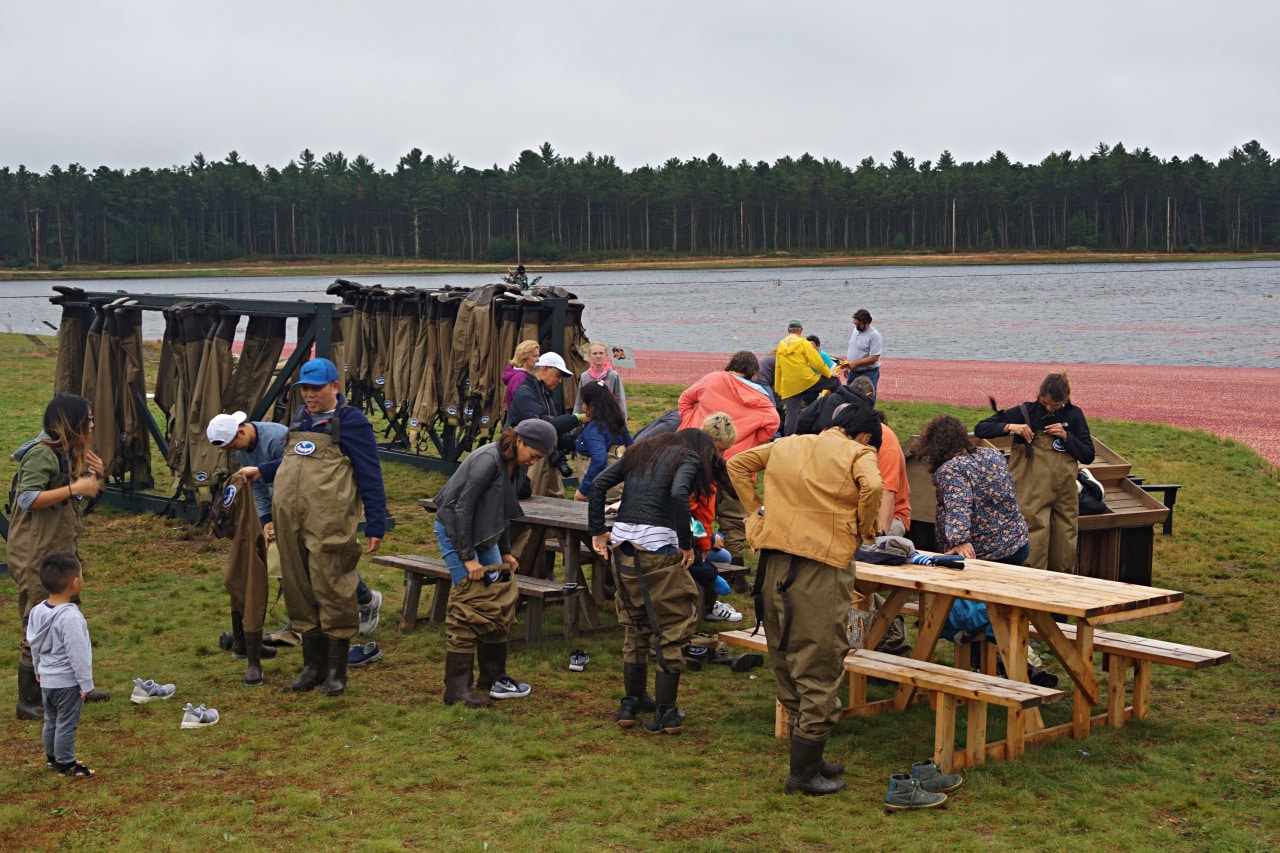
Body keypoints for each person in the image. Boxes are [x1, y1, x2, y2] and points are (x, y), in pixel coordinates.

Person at [726, 405, 884, 795]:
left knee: (783, 653)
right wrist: (865, 528)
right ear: (864, 436)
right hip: (821, 567)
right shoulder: (859, 453)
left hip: (775, 564)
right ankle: (802, 773)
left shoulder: (787, 444)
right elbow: (875, 489)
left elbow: (737, 463)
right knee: (821, 661)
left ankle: (809, 756)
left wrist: (755, 515)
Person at [238, 358, 388, 698]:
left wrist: (376, 523)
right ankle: (312, 666)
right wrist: (262, 470)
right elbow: (293, 460)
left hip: (329, 522)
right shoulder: (302, 419)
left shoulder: (351, 422)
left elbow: (370, 473)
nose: (309, 395)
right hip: (290, 521)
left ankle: (336, 671)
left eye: (316, 388)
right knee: (298, 587)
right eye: (304, 388)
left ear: (335, 386)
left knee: (332, 585)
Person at [588, 429, 724, 735]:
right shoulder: (687, 456)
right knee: (671, 627)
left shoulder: (641, 453)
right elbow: (678, 494)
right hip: (658, 549)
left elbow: (598, 485)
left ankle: (630, 704)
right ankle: (666, 713)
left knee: (635, 625)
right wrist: (687, 544)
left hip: (623, 548)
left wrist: (597, 530)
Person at [208, 412, 384, 642]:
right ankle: (304, 617)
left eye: (233, 445)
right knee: (293, 559)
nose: (234, 451)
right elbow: (257, 486)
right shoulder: (242, 449)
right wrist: (267, 518)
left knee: (325, 555)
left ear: (241, 431)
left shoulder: (277, 439)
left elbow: (298, 470)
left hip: (312, 497)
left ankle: (366, 600)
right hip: (285, 502)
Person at [432, 420, 555, 707]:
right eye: (533, 455)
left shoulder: (516, 463)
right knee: (471, 604)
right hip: (455, 532)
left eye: (539, 459)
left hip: (485, 536)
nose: (534, 462)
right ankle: (457, 688)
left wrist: (505, 551)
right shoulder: (488, 460)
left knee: (498, 598)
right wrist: (468, 558)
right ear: (520, 441)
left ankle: (494, 677)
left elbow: (502, 508)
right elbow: (462, 508)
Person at [8, 394, 106, 720]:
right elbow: (28, 498)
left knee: (67, 620)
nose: (92, 424)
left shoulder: (67, 455)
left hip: (59, 550)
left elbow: (78, 496)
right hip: (35, 554)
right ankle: (29, 701)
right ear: (71, 423)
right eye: (87, 419)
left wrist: (96, 479)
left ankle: (72, 687)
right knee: (37, 624)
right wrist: (76, 487)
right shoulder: (42, 456)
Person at [973, 371, 1095, 573]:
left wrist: (1067, 436)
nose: (1049, 408)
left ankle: (1060, 594)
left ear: (1065, 399)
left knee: (1065, 543)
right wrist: (1011, 427)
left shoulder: (1074, 415)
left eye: (1055, 405)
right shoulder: (1025, 412)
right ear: (1039, 394)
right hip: (1031, 493)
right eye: (1045, 402)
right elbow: (981, 428)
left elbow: (1088, 455)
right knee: (1034, 544)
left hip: (1065, 492)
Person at [677, 350, 780, 567]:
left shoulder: (713, 379)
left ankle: (696, 547)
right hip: (736, 463)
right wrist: (750, 441)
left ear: (731, 364)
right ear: (754, 374)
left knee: (692, 503)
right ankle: (736, 565)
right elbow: (773, 423)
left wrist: (690, 421)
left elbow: (685, 399)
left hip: (697, 453)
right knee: (734, 515)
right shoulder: (761, 398)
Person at [912, 415, 1029, 564]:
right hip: (1017, 543)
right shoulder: (992, 454)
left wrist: (959, 540)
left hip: (986, 552)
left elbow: (958, 505)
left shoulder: (952, 469)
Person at [26, 551, 96, 777]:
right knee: (66, 723)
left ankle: (52, 758)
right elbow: (79, 654)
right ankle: (66, 764)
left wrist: (38, 669)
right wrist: (86, 684)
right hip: (67, 683)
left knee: (51, 721)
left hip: (46, 681)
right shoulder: (72, 618)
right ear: (75, 583)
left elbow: (33, 645)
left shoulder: (37, 612)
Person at [686, 414, 741, 622]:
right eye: (719, 449)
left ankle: (707, 604)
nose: (722, 454)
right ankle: (706, 606)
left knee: (723, 557)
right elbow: (686, 514)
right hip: (682, 535)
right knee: (716, 560)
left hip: (695, 532)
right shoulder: (694, 469)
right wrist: (706, 540)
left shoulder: (709, 466)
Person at [506, 351, 581, 498]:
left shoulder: (543, 394)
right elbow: (543, 426)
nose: (559, 381)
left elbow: (553, 430)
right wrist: (577, 419)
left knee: (556, 500)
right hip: (532, 459)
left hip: (547, 457)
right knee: (532, 500)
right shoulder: (525, 394)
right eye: (558, 375)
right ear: (545, 369)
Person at [774, 319, 839, 436]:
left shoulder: (781, 345)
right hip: (807, 380)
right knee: (835, 382)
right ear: (801, 331)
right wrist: (829, 374)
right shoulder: (804, 343)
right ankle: (837, 411)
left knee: (791, 414)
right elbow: (817, 362)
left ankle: (788, 440)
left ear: (788, 331)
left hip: (790, 384)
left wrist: (778, 388)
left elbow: (778, 367)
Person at [573, 381, 632, 503]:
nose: (582, 406)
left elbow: (599, 460)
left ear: (592, 405)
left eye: (584, 402)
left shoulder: (595, 429)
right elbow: (632, 448)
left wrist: (583, 490)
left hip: (600, 494)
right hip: (620, 488)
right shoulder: (618, 423)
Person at [574, 341, 628, 420]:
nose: (598, 356)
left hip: (609, 419)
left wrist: (622, 422)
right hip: (589, 419)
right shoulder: (584, 376)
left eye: (601, 353)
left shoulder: (613, 376)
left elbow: (620, 400)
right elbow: (579, 400)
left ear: (606, 355)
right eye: (595, 353)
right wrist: (575, 420)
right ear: (589, 356)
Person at [845, 309, 883, 391]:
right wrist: (848, 366)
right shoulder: (855, 331)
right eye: (855, 323)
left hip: (868, 373)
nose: (856, 326)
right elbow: (853, 350)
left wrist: (855, 363)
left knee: (867, 398)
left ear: (867, 322)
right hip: (853, 371)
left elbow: (874, 357)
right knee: (849, 396)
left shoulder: (875, 335)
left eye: (859, 324)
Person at [502, 340, 540, 411]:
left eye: (538, 356)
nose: (538, 359)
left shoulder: (521, 375)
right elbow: (523, 405)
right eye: (535, 356)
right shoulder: (519, 378)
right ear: (524, 358)